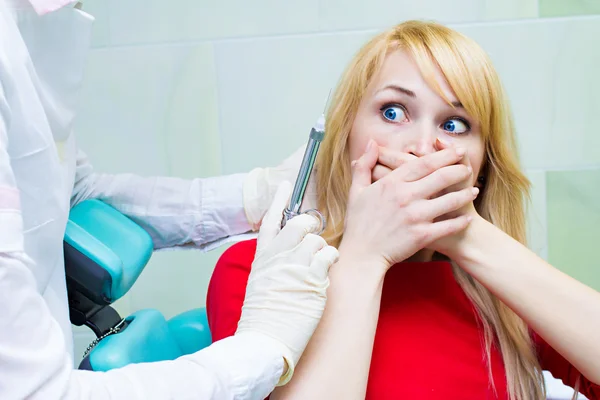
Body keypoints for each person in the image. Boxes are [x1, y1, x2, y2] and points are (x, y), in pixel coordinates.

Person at [206, 20, 600, 400]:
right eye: (393, 112)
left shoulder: (501, 296)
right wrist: (364, 255)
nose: (422, 146)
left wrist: (467, 234)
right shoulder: (260, 274)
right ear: (346, 137)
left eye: (455, 124)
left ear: (481, 167)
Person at [0, 0, 338, 398]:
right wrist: (261, 348)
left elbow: (67, 192)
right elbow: (38, 393)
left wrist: (253, 195)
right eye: (391, 111)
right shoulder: (242, 271)